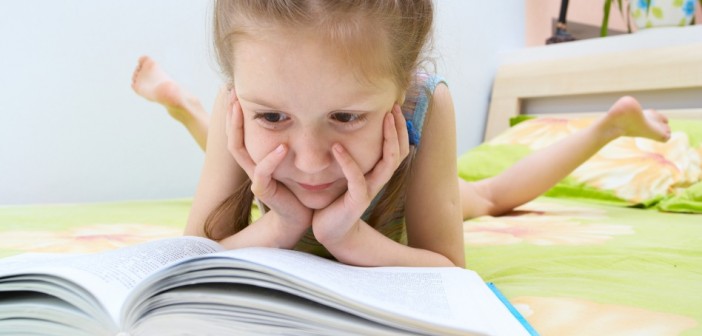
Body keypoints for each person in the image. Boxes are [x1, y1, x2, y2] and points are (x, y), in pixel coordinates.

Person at [132, 0, 671, 268]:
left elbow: (450, 269)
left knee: (485, 196)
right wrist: (281, 227)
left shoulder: (425, 104)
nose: (314, 161)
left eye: (346, 117)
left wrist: (350, 238)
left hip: (389, 201)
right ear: (237, 90)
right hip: (260, 168)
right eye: (271, 115)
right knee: (251, 159)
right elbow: (192, 254)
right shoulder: (241, 103)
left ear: (398, 94)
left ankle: (608, 126)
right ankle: (187, 109)